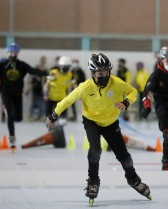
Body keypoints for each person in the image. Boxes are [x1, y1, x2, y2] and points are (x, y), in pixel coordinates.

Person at [46, 53, 151, 201]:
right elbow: (67, 100)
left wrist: (126, 102)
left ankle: (133, 179)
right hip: (91, 122)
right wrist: (53, 115)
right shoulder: (85, 87)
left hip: (110, 123)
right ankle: (93, 182)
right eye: (100, 73)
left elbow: (132, 91)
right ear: (92, 73)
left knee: (125, 157)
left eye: (106, 72)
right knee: (95, 151)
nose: (104, 76)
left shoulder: (116, 82)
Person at [43, 56, 74, 124]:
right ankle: (51, 131)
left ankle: (59, 132)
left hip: (62, 99)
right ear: (60, 65)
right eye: (64, 66)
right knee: (49, 119)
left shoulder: (70, 74)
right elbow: (46, 85)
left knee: (62, 121)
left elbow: (74, 85)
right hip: (50, 98)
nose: (66, 68)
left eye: (68, 66)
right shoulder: (54, 73)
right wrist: (45, 94)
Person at [25, 56, 47, 121]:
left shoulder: (46, 70)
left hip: (42, 90)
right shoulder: (35, 70)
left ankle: (41, 116)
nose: (43, 62)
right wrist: (28, 88)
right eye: (42, 60)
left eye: (44, 60)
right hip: (35, 89)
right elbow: (30, 79)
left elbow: (47, 80)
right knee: (34, 103)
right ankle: (31, 116)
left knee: (42, 104)